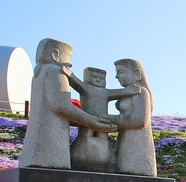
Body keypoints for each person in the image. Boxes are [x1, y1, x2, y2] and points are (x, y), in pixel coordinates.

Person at [19, 39, 117, 170]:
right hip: (53, 130)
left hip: (37, 135)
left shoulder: (39, 73)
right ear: (55, 54)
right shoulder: (55, 72)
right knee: (54, 162)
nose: (70, 63)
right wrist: (91, 120)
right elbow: (62, 105)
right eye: (69, 57)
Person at [66, 66, 140, 172]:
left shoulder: (105, 92)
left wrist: (128, 91)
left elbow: (117, 92)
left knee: (103, 136)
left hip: (103, 121)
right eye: (94, 77)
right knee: (86, 135)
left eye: (101, 78)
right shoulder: (86, 88)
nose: (97, 80)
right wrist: (70, 74)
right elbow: (77, 83)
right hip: (88, 120)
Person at [112, 59, 157, 176]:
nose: (116, 76)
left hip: (138, 142)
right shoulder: (128, 92)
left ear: (137, 74)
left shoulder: (141, 92)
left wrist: (108, 119)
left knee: (131, 169)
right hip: (125, 139)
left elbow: (140, 120)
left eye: (121, 72)